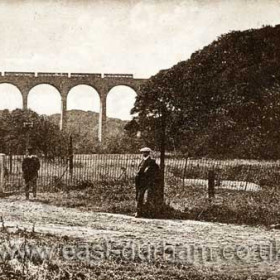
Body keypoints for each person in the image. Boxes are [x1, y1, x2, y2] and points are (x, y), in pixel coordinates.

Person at [135, 147, 159, 217]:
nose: (143, 153)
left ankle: (142, 212)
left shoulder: (151, 161)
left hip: (147, 182)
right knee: (139, 196)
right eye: (143, 152)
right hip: (140, 182)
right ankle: (140, 212)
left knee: (144, 197)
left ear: (148, 153)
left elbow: (151, 171)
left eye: (145, 152)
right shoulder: (142, 161)